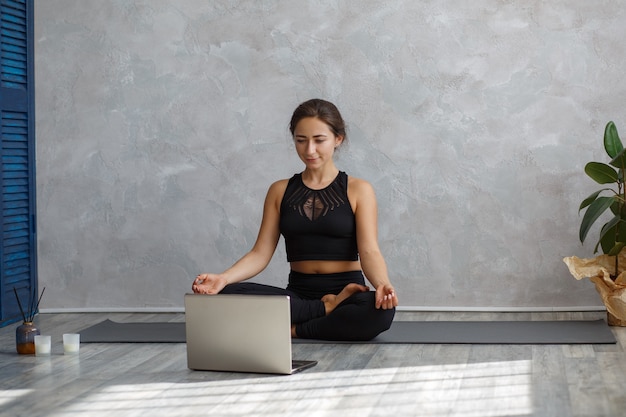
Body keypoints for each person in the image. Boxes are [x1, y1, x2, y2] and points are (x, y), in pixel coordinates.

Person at [192, 98, 398, 341]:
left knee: (379, 312)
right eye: (301, 141)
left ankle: (295, 329)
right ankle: (326, 311)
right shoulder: (279, 191)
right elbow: (260, 253)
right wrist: (223, 278)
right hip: (298, 295)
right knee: (225, 294)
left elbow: (370, 251)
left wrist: (383, 283)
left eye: (319, 140)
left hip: (347, 292)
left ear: (338, 139)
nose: (309, 150)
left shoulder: (359, 190)